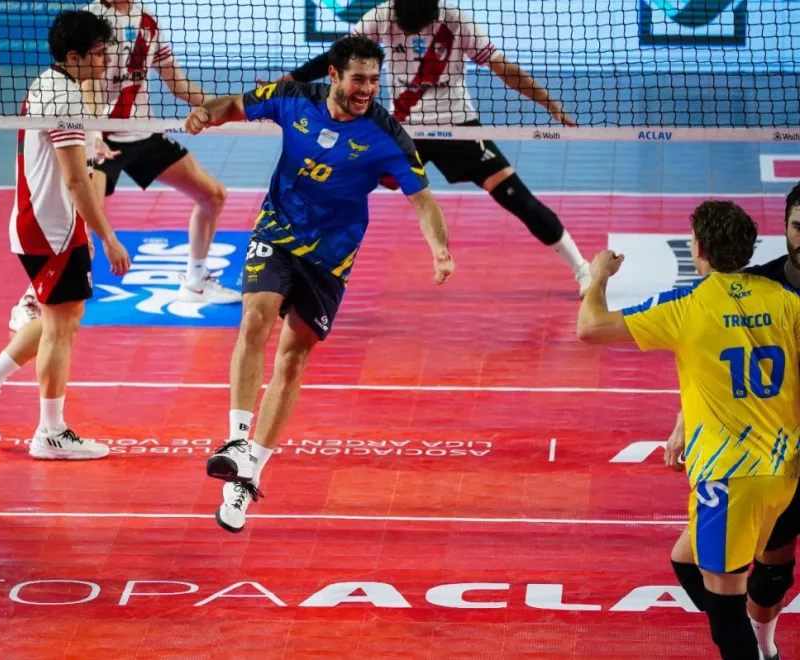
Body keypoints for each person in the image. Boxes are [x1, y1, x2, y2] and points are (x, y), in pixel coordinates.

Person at [184, 35, 454, 533]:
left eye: (374, 80)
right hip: (278, 230)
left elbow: (423, 200)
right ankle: (238, 440)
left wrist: (439, 247)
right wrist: (207, 113)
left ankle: (247, 478)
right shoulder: (294, 98)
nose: (367, 89)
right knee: (255, 319)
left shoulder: (388, 136)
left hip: (331, 257)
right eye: (358, 79)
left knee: (293, 356)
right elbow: (234, 105)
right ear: (333, 75)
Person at [576, 200, 800, 659]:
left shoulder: (688, 305)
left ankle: (751, 647)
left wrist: (598, 275)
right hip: (782, 475)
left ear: (696, 247)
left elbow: (590, 327)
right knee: (685, 560)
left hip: (728, 478)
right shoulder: (786, 300)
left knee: (724, 614)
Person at [266, 0, 590, 296]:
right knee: (328, 190)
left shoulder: (456, 22)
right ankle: (294, 271)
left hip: (458, 129)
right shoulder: (383, 16)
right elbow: (338, 56)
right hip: (402, 130)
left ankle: (583, 270)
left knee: (517, 198)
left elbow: (502, 68)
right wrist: (292, 79)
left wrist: (549, 103)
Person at [0, 10, 130, 459]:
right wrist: (107, 235)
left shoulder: (52, 83)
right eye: (97, 52)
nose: (105, 58)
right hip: (49, 228)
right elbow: (74, 180)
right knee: (60, 328)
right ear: (74, 56)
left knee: (61, 322)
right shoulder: (66, 96)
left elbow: (68, 161)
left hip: (49, 225)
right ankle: (50, 433)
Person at [4, 0, 239, 332]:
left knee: (213, 195)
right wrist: (92, 133)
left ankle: (196, 280)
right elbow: (84, 87)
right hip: (101, 137)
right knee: (83, 229)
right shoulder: (92, 19)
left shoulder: (148, 22)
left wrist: (228, 105)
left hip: (143, 131)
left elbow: (178, 84)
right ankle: (32, 299)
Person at [663, 183, 800, 660]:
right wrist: (685, 417)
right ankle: (758, 644)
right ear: (784, 228)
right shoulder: (766, 286)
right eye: (799, 227)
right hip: (776, 453)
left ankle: (736, 633)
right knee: (770, 568)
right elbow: (723, 358)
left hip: (775, 457)